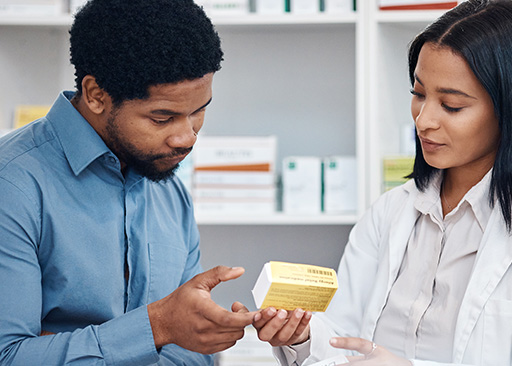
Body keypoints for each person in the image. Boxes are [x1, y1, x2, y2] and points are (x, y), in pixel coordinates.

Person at [243, 0, 512, 365]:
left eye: (451, 105)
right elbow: (343, 337)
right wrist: (304, 336)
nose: (424, 120)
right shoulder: (391, 212)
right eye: (418, 95)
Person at [0, 0, 257, 365]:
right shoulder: (12, 185)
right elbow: (9, 356)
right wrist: (157, 327)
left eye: (199, 111)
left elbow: (193, 354)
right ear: (96, 96)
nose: (187, 137)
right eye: (162, 118)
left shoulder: (166, 185)